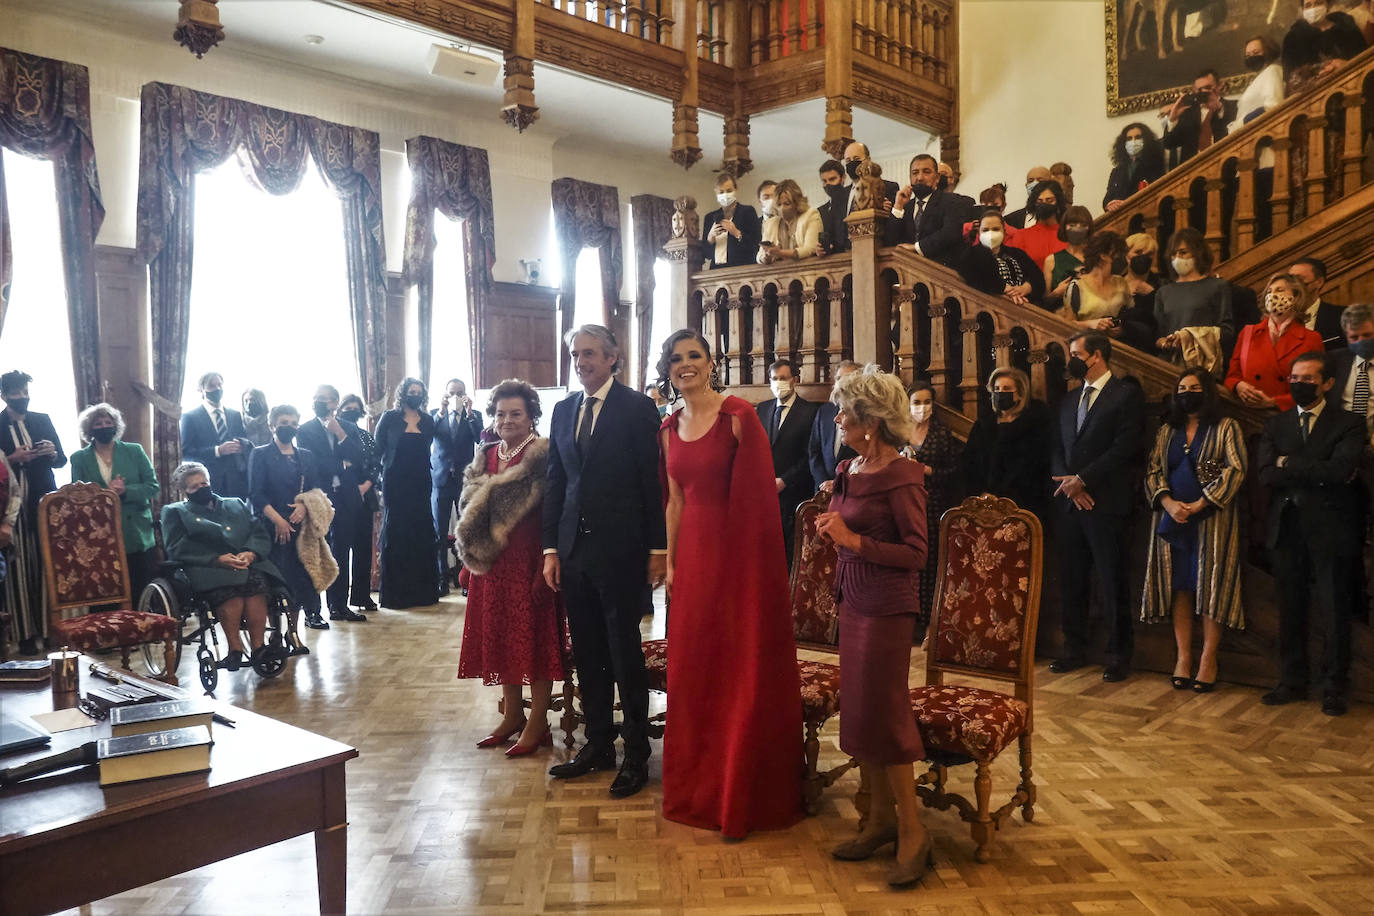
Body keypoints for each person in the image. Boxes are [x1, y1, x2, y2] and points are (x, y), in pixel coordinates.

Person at [656, 328, 802, 838]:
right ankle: (699, 785)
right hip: (692, 560)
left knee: (737, 665)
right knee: (696, 667)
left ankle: (739, 789)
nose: (685, 364)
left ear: (711, 363)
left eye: (694, 356)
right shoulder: (668, 428)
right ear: (667, 368)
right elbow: (674, 502)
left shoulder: (740, 416)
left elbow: (761, 502)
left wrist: (754, 572)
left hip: (739, 560)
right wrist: (671, 564)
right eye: (676, 359)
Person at [820, 365, 932, 888]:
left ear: (871, 421)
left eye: (846, 411)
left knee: (886, 715)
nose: (838, 418)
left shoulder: (904, 475)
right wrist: (836, 524)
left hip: (888, 607)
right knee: (861, 714)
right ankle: (880, 821)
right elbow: (847, 523)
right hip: (853, 600)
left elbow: (915, 554)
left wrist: (851, 538)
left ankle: (913, 832)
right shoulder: (853, 467)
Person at [542, 325, 665, 799]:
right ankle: (598, 744)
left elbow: (652, 485)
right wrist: (551, 547)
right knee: (588, 654)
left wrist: (658, 548)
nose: (581, 362)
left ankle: (636, 753)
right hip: (573, 551)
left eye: (589, 353)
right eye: (575, 354)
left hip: (622, 551)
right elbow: (557, 481)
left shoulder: (637, 408)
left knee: (622, 652)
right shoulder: (563, 409)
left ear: (613, 358)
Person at [456, 380, 568, 757]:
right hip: (492, 565)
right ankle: (512, 715)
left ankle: (538, 721)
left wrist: (547, 561)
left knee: (534, 642)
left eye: (516, 413)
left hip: (531, 562)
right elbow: (470, 513)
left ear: (531, 415)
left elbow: (555, 512)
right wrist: (470, 559)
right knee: (503, 637)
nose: (507, 420)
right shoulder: (484, 455)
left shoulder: (543, 454)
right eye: (501, 413)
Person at [1257, 351, 1365, 716]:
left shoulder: (1348, 423)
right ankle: (1292, 680)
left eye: (1309, 379)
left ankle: (1334, 687)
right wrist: (1309, 468)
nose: (1300, 384)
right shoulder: (1277, 424)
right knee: (1290, 609)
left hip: (1331, 528)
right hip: (1287, 528)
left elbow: (1340, 471)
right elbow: (1266, 475)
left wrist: (1289, 462)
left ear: (1328, 384)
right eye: (1295, 378)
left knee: (1334, 610)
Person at [1141, 368, 1247, 693]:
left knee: (1209, 585)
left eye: (1195, 387)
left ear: (1208, 392)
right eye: (1183, 387)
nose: (1188, 392)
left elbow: (1235, 468)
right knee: (1180, 587)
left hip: (1210, 519)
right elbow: (1154, 468)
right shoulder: (1167, 430)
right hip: (1173, 518)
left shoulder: (1226, 427)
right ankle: (1183, 657)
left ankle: (1208, 660)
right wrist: (1169, 502)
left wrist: (1201, 503)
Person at [1049, 332, 1146, 682]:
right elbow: (1058, 446)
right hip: (1071, 503)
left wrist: (1084, 480)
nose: (1071, 359)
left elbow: (1125, 447)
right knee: (1072, 578)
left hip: (1106, 502)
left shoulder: (1126, 395)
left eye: (1076, 353)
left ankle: (1119, 654)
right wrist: (1069, 485)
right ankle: (1074, 648)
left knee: (1111, 579)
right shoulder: (1069, 398)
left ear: (1097, 356)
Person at [164, 460, 287, 671]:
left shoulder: (235, 503)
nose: (202, 489)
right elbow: (176, 546)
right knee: (230, 589)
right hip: (207, 567)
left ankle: (259, 648)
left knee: (256, 584)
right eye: (195, 487)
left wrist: (251, 553)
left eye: (204, 483)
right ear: (184, 491)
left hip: (246, 562)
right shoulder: (175, 511)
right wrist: (216, 559)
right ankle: (235, 649)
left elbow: (258, 532)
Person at [0, 370, 66, 655]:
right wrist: (13, 459)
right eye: (16, 393)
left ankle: (50, 628)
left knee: (45, 567)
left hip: (43, 504)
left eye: (25, 392)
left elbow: (61, 460)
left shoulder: (42, 419)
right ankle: (25, 634)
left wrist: (51, 452)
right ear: (4, 395)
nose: (22, 397)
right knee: (18, 570)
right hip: (11, 510)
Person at [70, 403, 159, 603]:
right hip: (99, 532)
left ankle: (142, 631)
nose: (103, 426)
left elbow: (153, 487)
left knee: (139, 590)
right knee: (105, 591)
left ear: (115, 426)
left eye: (108, 422)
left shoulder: (134, 451)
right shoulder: (79, 458)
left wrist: (126, 491)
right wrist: (104, 494)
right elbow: (76, 498)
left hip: (135, 531)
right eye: (98, 423)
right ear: (90, 429)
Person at [249, 405, 323, 644]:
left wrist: (304, 506)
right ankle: (276, 633)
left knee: (299, 581)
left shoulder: (307, 456)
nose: (288, 427)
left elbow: (315, 490)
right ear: (272, 425)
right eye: (283, 422)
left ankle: (293, 631)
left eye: (293, 422)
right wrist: (278, 520)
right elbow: (256, 494)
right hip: (271, 526)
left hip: (301, 529)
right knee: (275, 581)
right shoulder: (259, 454)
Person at [295, 385, 368, 623]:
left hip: (345, 497)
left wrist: (341, 435)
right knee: (317, 551)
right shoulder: (305, 429)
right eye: (317, 399)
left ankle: (339, 606)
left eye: (325, 399)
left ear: (335, 402)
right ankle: (313, 611)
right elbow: (312, 463)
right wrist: (342, 465)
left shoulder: (348, 428)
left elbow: (358, 458)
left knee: (342, 552)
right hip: (319, 497)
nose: (321, 402)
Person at [901, 382, 962, 640]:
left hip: (933, 504)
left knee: (931, 564)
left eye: (927, 403)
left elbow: (955, 473)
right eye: (917, 403)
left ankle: (930, 626)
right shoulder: (898, 432)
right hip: (903, 506)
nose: (922, 408)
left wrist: (927, 471)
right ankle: (907, 624)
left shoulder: (941, 433)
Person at [375, 378, 441, 609]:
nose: (415, 395)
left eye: (419, 392)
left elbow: (432, 446)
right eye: (411, 391)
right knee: (396, 531)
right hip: (394, 482)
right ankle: (396, 594)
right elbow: (378, 450)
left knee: (421, 530)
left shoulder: (429, 420)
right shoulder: (389, 418)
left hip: (421, 482)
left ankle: (423, 593)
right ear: (403, 394)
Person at [962, 367, 1052, 522]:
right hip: (985, 505)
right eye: (996, 389)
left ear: (1020, 392)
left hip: (1023, 505)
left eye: (1007, 389)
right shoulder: (984, 424)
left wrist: (1004, 499)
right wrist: (983, 496)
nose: (1000, 393)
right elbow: (970, 461)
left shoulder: (1036, 423)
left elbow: (1036, 465)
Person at [1225, 273, 1325, 411]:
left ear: (1296, 296)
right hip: (1249, 413)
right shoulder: (1248, 333)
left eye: (1279, 290)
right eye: (1269, 291)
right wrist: (1238, 386)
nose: (1272, 295)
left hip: (1287, 414)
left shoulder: (1311, 338)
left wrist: (1275, 402)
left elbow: (1315, 386)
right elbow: (1232, 375)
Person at [755, 359, 820, 565]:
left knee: (791, 555)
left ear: (795, 380)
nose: (778, 383)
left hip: (794, 493)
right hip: (764, 494)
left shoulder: (809, 412)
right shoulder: (763, 409)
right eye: (774, 379)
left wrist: (784, 481)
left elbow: (809, 455)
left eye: (783, 378)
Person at [1154, 228, 1235, 374]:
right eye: (1173, 254)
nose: (1177, 258)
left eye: (1183, 252)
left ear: (1198, 253)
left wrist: (1187, 337)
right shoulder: (1163, 292)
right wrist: (1166, 342)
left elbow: (1227, 331)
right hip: (1170, 367)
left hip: (1203, 368)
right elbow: (1157, 334)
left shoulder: (1218, 286)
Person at [431, 377, 484, 594]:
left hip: (464, 481)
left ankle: (465, 578)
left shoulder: (474, 415)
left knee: (465, 530)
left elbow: (480, 438)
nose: (455, 397)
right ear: (445, 394)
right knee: (439, 532)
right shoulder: (435, 414)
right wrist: (441, 411)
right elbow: (428, 434)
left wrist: (470, 413)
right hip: (441, 480)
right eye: (451, 392)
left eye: (459, 393)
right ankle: (441, 578)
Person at [336, 394, 379, 613]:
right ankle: (338, 603)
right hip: (340, 499)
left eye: (355, 408)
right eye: (347, 407)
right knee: (341, 551)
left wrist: (364, 486)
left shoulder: (366, 436)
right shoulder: (333, 435)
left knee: (363, 549)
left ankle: (362, 596)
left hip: (365, 496)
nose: (351, 411)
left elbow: (374, 464)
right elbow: (338, 465)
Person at [180, 371, 252, 501]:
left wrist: (242, 447)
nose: (217, 389)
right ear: (201, 390)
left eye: (219, 385)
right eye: (212, 386)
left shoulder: (235, 415)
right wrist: (217, 451)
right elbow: (186, 452)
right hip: (208, 481)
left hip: (237, 481)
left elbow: (245, 442)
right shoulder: (190, 417)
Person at [958, 208, 1046, 308]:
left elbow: (1039, 278)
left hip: (1024, 307)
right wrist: (1004, 288)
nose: (990, 234)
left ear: (1004, 231)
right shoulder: (971, 253)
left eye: (996, 229)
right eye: (985, 230)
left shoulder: (1017, 254)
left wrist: (1027, 287)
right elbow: (974, 277)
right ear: (979, 232)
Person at [889, 153, 966, 266]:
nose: (919, 178)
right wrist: (898, 206)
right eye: (915, 173)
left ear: (937, 178)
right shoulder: (906, 207)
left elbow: (950, 233)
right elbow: (890, 241)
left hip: (940, 271)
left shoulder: (952, 201)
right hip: (908, 272)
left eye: (926, 172)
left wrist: (917, 248)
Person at [824, 141, 900, 253]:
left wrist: (887, 211)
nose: (852, 163)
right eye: (848, 161)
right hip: (844, 258)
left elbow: (896, 225)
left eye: (856, 158)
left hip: (876, 252)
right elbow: (832, 231)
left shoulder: (888, 188)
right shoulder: (839, 196)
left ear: (868, 159)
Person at [1282, 0, 1368, 93]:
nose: (1313, 9)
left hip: (1358, 81)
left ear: (1328, 5)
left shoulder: (1346, 26)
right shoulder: (1293, 39)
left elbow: (1365, 55)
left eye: (1318, 3)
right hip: (1320, 95)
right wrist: (1324, 69)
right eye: (1308, 5)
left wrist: (1347, 64)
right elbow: (1291, 79)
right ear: (1303, 9)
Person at [1161, 69, 1239, 163]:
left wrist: (1219, 109)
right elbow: (1169, 144)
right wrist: (1172, 120)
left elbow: (1236, 134)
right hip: (1193, 171)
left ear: (1219, 86)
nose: (1203, 92)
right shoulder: (1187, 113)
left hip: (1225, 165)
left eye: (1208, 87)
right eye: (1199, 90)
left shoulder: (1235, 106)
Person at [1066, 231, 1134, 337]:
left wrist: (1123, 328)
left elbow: (1131, 315)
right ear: (1103, 255)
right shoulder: (1077, 287)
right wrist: (1091, 324)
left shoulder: (1121, 282)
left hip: (1120, 345)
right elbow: (1067, 325)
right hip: (1090, 344)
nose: (1121, 258)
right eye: (1117, 253)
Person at [809, 360, 861, 490]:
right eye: (838, 378)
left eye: (847, 378)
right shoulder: (824, 411)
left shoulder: (862, 413)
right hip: (823, 489)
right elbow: (814, 451)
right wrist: (823, 481)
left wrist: (837, 483)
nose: (841, 383)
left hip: (851, 487)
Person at [1325, 303, 1374, 423]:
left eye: (1367, 335)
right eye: (1354, 337)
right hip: (1343, 435)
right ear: (1346, 337)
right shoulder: (1335, 360)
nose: (1361, 341)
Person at [702, 173, 761, 268]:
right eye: (721, 192)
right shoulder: (710, 217)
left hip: (742, 270)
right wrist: (710, 238)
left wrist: (737, 233)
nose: (725, 195)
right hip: (716, 272)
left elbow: (756, 246)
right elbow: (706, 255)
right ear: (716, 193)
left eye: (729, 191)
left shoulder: (747, 212)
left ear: (736, 189)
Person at [757, 179, 823, 264]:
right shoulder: (771, 223)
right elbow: (759, 255)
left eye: (786, 204)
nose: (782, 208)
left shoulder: (810, 215)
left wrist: (780, 253)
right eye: (779, 204)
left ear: (797, 203)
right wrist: (766, 257)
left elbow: (810, 249)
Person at [1104, 123, 1166, 212]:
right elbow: (1107, 199)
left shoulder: (1155, 165)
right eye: (1129, 139)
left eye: (1137, 137)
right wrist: (1108, 205)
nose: (1133, 142)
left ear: (1146, 140)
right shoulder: (1117, 171)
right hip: (1121, 218)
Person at [1289, 257, 1346, 349]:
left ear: (1319, 282)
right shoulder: (1279, 320)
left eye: (1299, 280)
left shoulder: (1342, 316)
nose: (1293, 286)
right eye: (1290, 279)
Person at [1044, 205, 1093, 309]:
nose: (1077, 229)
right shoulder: (1051, 260)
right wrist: (1056, 293)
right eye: (1072, 225)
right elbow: (1044, 301)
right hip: (1059, 316)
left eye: (1082, 225)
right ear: (1064, 228)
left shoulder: (1095, 258)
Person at [1013, 179, 1068, 271]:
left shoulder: (1068, 235)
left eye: (1049, 200)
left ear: (1058, 202)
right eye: (1039, 201)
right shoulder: (1021, 236)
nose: (1044, 204)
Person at [815, 159, 845, 254]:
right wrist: (818, 249)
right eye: (824, 181)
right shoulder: (820, 211)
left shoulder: (853, 203)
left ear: (843, 178)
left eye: (832, 179)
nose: (828, 184)